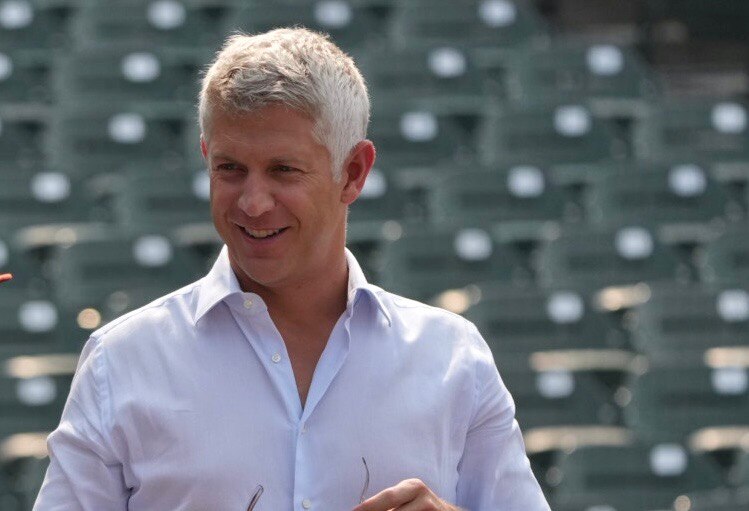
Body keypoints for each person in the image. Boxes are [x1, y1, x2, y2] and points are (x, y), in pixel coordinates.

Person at [34, 28, 550, 510]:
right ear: (206, 159)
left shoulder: (455, 360)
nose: (253, 202)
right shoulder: (119, 363)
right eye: (230, 169)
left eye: (284, 171)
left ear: (353, 173)